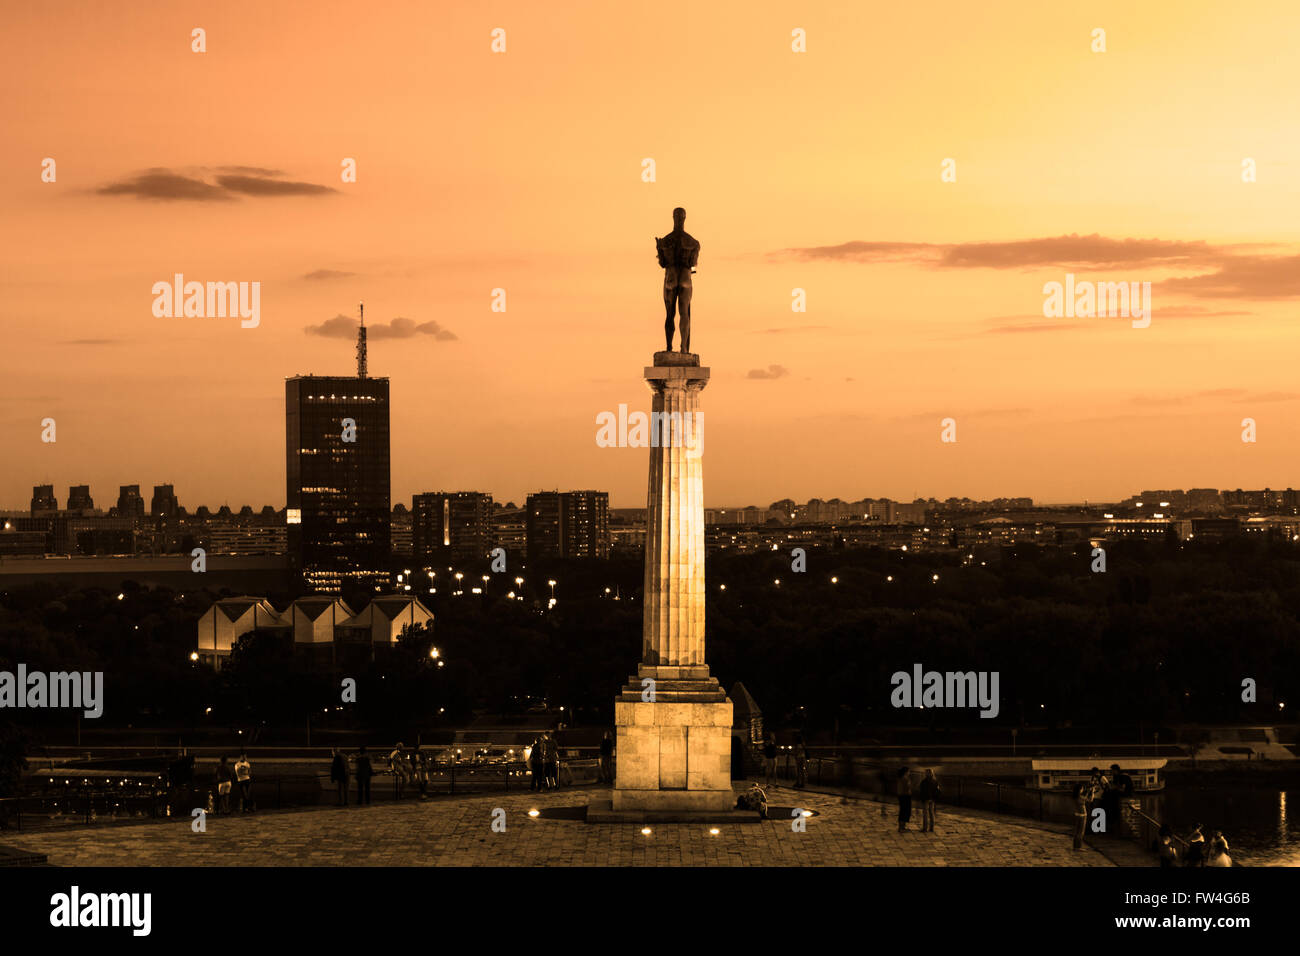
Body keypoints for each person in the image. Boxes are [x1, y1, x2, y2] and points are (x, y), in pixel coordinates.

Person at [917, 768, 940, 833]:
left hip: (926, 799)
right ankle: (931, 828)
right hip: (932, 799)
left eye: (925, 773)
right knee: (931, 813)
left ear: (927, 773)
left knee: (925, 814)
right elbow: (937, 790)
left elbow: (921, 790)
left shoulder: (924, 781)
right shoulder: (935, 781)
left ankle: (925, 828)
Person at [1071, 782, 1088, 851]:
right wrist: (1091, 792)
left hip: (1077, 814)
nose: (1082, 790)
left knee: (1077, 831)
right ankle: (1078, 847)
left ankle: (1075, 846)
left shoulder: (1076, 796)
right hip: (1082, 815)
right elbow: (1089, 800)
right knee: (1081, 832)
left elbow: (1086, 799)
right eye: (1082, 788)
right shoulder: (1080, 797)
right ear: (1079, 789)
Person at [896, 766, 913, 833]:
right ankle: (901, 828)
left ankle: (902, 827)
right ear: (906, 772)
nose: (909, 773)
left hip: (901, 796)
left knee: (903, 811)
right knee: (904, 812)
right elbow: (907, 788)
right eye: (909, 771)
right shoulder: (905, 779)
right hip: (905, 796)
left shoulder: (900, 778)